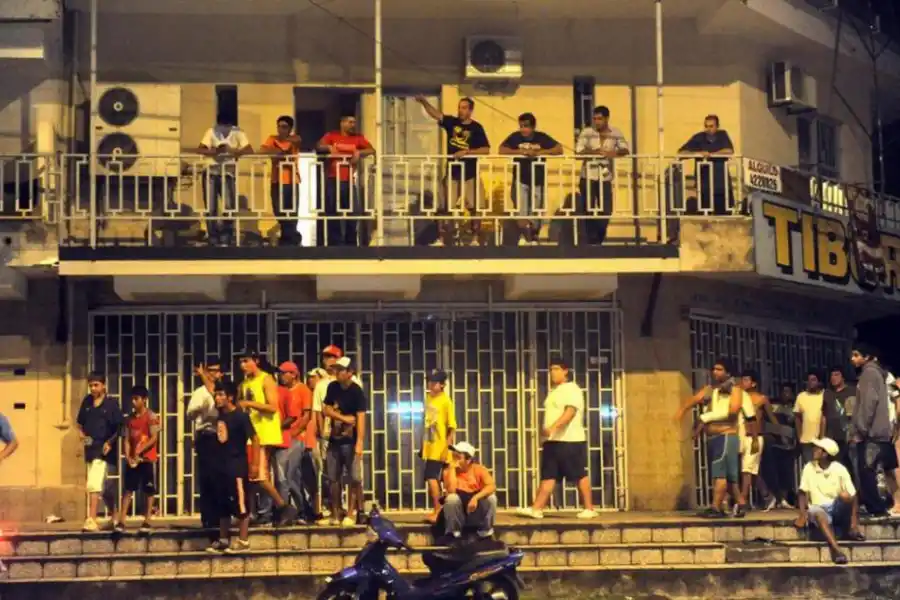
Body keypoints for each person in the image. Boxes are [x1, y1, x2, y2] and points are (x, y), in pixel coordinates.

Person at [517, 356, 598, 520]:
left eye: (556, 369)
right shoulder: (554, 391)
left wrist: (554, 427)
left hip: (570, 440)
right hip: (553, 441)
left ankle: (589, 508)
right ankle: (536, 508)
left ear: (565, 371)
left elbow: (570, 411)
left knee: (578, 473)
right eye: (551, 370)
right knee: (549, 475)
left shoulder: (572, 389)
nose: (552, 373)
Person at [675, 359, 753, 518]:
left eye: (719, 369)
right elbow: (693, 400)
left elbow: (733, 412)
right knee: (730, 478)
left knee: (720, 473)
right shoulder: (711, 390)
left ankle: (716, 507)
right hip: (714, 437)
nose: (715, 372)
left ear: (728, 372)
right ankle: (741, 504)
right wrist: (682, 412)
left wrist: (705, 417)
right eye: (714, 369)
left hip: (726, 437)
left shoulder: (736, 391)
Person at [415, 95, 490, 246]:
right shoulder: (452, 122)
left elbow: (486, 149)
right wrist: (424, 102)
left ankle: (475, 239)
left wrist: (467, 152)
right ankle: (442, 239)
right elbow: (436, 114)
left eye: (463, 108)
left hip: (470, 174)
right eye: (459, 107)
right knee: (445, 206)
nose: (460, 111)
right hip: (453, 173)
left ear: (470, 110)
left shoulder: (476, 128)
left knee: (476, 207)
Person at [237, 350, 296, 525]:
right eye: (241, 362)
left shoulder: (266, 379)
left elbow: (272, 407)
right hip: (250, 433)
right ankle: (256, 512)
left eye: (246, 361)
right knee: (253, 477)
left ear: (256, 361)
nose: (243, 365)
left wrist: (249, 403)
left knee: (260, 475)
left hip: (263, 434)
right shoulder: (245, 383)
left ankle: (284, 507)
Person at [794, 437, 865, 565]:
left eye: (817, 448)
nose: (814, 450)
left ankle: (849, 529)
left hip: (835, 508)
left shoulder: (839, 468)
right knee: (817, 512)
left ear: (825, 453)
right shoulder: (808, 467)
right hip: (819, 509)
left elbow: (853, 495)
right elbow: (802, 492)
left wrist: (854, 523)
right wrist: (802, 514)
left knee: (845, 495)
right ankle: (836, 550)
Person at [208, 380, 258, 554]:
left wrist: (255, 463)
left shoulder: (241, 417)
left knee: (240, 503)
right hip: (221, 464)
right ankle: (223, 538)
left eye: (221, 394)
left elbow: (255, 439)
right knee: (223, 503)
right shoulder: (220, 416)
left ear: (230, 397)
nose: (217, 398)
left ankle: (243, 540)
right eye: (216, 394)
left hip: (237, 464)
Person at [499, 113, 563, 245]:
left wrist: (539, 153)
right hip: (521, 179)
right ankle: (524, 235)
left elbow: (559, 149)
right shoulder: (515, 137)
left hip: (537, 179)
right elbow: (502, 149)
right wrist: (520, 152)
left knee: (536, 209)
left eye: (526, 126)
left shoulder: (541, 137)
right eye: (521, 126)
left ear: (533, 127)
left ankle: (534, 236)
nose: (523, 129)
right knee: (521, 209)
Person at [850, 343, 897, 518]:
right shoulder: (878, 373)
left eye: (856, 355)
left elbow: (868, 404)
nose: (853, 359)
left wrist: (861, 429)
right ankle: (879, 505)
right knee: (879, 470)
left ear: (867, 356)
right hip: (880, 431)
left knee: (866, 470)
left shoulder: (869, 373)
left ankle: (875, 507)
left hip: (870, 433)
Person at [192, 114, 253, 245]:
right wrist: (214, 151)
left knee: (229, 206)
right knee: (211, 206)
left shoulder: (238, 132)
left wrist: (233, 152)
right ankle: (213, 236)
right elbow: (201, 149)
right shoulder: (211, 131)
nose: (224, 128)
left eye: (226, 126)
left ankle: (226, 235)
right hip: (211, 170)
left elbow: (249, 149)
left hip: (228, 172)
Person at [316, 114, 375, 247]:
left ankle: (351, 242)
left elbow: (372, 150)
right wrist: (328, 147)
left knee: (353, 211)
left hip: (349, 180)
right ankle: (335, 242)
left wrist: (359, 153)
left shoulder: (358, 138)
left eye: (354, 122)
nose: (352, 125)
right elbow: (319, 146)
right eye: (350, 122)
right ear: (342, 123)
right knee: (332, 210)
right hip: (333, 178)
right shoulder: (332, 135)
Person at [322, 356, 368, 527]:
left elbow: (361, 418)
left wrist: (360, 442)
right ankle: (335, 513)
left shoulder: (357, 392)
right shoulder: (332, 387)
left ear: (350, 373)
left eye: (341, 370)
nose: (337, 373)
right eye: (336, 370)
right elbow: (326, 409)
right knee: (333, 478)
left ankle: (351, 512)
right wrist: (342, 418)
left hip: (351, 440)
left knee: (354, 478)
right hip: (334, 438)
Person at [76, 372, 124, 532]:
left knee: (94, 483)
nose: (93, 388)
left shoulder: (111, 404)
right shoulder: (87, 402)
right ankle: (114, 516)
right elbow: (79, 424)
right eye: (91, 385)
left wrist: (110, 443)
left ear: (103, 385)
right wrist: (82, 436)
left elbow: (119, 427)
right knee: (106, 488)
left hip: (105, 450)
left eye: (96, 385)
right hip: (90, 449)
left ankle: (91, 519)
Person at [575, 105, 629, 246]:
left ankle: (598, 238)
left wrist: (612, 154)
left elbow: (625, 149)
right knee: (588, 209)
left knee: (606, 209)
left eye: (599, 119)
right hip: (588, 176)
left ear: (606, 119)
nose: (596, 122)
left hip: (605, 176)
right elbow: (578, 152)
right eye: (594, 118)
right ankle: (590, 240)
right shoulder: (587, 132)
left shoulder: (615, 132)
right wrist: (595, 152)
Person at [187, 357, 224, 539]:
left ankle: (220, 517)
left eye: (217, 370)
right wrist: (201, 410)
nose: (213, 374)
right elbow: (190, 413)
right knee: (206, 478)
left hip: (222, 436)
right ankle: (208, 517)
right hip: (206, 435)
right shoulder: (199, 392)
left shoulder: (224, 391)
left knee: (221, 478)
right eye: (210, 370)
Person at [115, 386, 160, 534]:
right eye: (132, 399)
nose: (133, 402)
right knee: (128, 489)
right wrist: (128, 456)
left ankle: (147, 520)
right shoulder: (129, 419)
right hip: (134, 460)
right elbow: (126, 439)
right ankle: (122, 520)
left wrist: (142, 449)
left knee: (148, 489)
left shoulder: (152, 417)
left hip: (147, 459)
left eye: (137, 399)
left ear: (144, 400)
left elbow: (154, 437)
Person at [439, 441, 497, 545]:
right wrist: (452, 468)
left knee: (491, 498)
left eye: (458, 457)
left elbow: (491, 486)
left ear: (468, 460)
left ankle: (485, 534)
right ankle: (454, 534)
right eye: (454, 456)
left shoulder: (479, 469)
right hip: (459, 514)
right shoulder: (449, 471)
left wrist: (476, 498)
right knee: (452, 498)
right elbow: (451, 491)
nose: (455, 459)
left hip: (475, 512)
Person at [677, 115, 735, 215]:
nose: (708, 129)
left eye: (711, 126)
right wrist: (698, 153)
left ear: (717, 126)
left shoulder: (722, 135)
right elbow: (681, 153)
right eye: (706, 126)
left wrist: (711, 155)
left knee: (724, 214)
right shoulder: (699, 137)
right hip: (704, 184)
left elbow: (729, 151)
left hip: (721, 184)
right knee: (705, 214)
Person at [278, 361, 314, 521]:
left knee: (289, 476)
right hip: (283, 438)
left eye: (284, 373)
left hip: (296, 438)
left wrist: (296, 432)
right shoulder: (283, 391)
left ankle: (301, 510)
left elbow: (307, 416)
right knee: (287, 477)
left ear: (294, 374)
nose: (281, 376)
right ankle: (298, 510)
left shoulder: (303, 390)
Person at [421, 369, 457, 523]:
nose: (430, 384)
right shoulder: (428, 398)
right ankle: (440, 510)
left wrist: (447, 449)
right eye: (429, 381)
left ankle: (438, 510)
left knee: (431, 478)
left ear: (442, 385)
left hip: (439, 447)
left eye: (434, 382)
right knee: (435, 479)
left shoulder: (446, 401)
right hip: (429, 444)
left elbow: (451, 427)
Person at [261, 116, 302, 245]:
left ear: (290, 128)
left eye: (284, 127)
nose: (281, 130)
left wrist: (277, 151)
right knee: (278, 209)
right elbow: (263, 150)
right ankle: (289, 235)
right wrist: (278, 152)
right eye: (279, 126)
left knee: (291, 211)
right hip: (276, 179)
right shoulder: (272, 138)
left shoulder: (294, 138)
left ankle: (290, 238)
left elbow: (297, 141)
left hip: (291, 180)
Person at [739, 370, 773, 512]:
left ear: (754, 383)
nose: (743, 383)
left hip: (755, 437)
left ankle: (743, 501)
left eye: (746, 380)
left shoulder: (761, 399)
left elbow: (771, 417)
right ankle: (767, 496)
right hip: (741, 436)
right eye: (742, 380)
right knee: (751, 472)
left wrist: (783, 433)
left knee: (747, 470)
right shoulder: (740, 398)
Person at [761, 383, 799, 509]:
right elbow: (768, 423)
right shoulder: (773, 406)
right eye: (783, 391)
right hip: (775, 444)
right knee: (772, 472)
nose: (785, 394)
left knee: (787, 473)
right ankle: (775, 498)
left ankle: (784, 499)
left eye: (788, 391)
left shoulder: (795, 407)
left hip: (789, 445)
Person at [822, 366, 856, 477]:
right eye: (832, 375)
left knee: (852, 467)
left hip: (849, 436)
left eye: (837, 375)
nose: (833, 378)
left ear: (843, 377)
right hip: (832, 436)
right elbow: (823, 416)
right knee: (835, 467)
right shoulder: (827, 393)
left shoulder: (852, 391)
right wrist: (823, 437)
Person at [794, 370, 826, 466]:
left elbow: (825, 417)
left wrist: (822, 437)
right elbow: (797, 418)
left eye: (813, 380)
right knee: (810, 468)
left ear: (819, 382)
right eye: (808, 380)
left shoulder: (825, 395)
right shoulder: (801, 396)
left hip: (821, 440)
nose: (810, 383)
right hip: (806, 440)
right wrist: (800, 436)